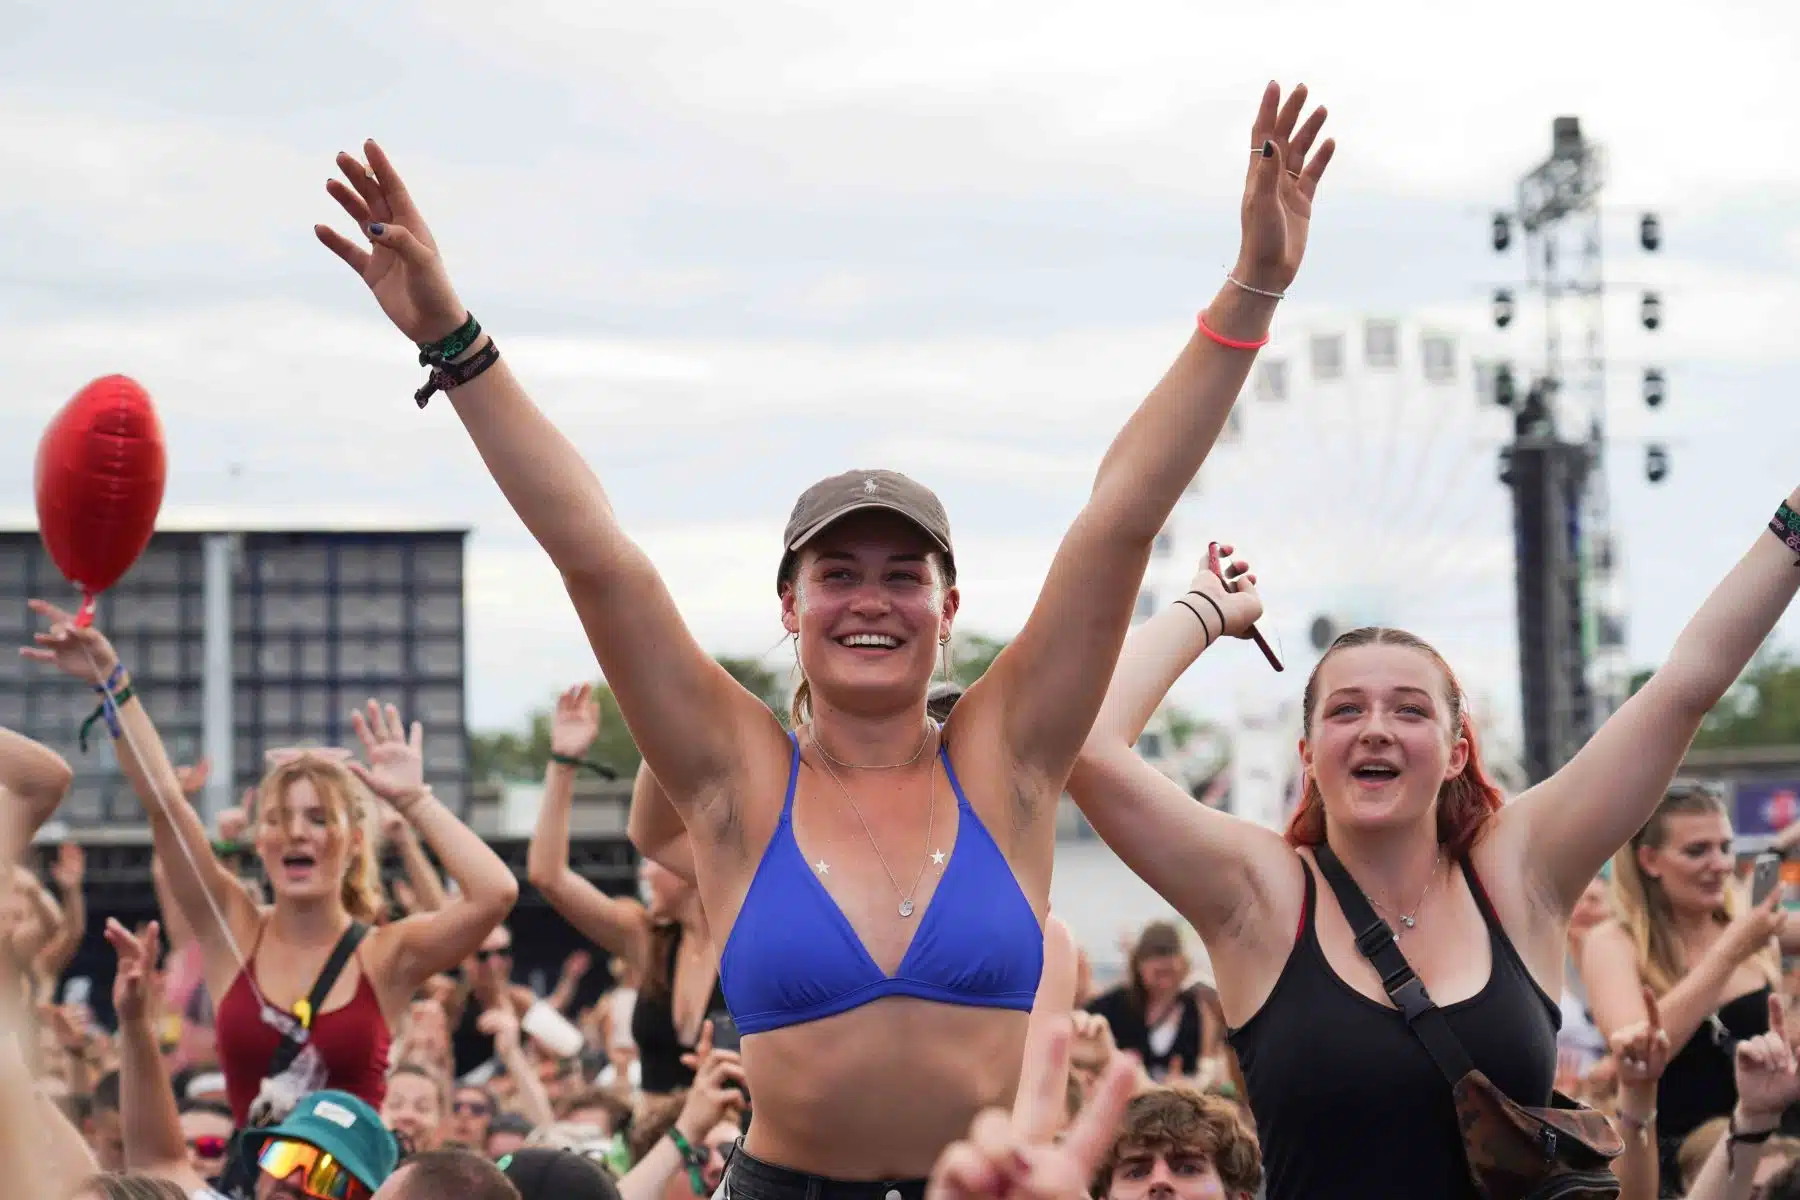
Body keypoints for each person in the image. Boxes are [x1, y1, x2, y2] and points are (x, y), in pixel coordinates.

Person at [313, 78, 1327, 1189]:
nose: (872, 601)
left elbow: (1120, 517)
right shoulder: (733, 777)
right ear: (789, 609)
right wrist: (456, 343)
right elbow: (598, 560)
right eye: (837, 574)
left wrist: (1256, 284)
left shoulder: (1011, 757)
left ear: (950, 610)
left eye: (905, 575)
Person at [1066, 516, 1800, 1199]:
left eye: (1410, 709)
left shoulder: (1518, 874)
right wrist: (1203, 610)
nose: (1376, 729)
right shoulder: (1261, 896)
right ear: (1307, 755)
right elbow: (1086, 747)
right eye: (1346, 710)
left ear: (1455, 753)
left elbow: (1685, 688)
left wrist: (1792, 523)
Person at [21, 606, 520, 1125]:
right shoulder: (231, 928)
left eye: (318, 818)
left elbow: (495, 894)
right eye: (279, 819)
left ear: (353, 843)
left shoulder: (388, 953)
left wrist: (416, 800)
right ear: (261, 843)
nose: (297, 832)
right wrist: (112, 681)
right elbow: (166, 800)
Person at [1581, 785, 1793, 1187]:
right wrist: (1729, 953)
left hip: (1775, 1157)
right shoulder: (1614, 942)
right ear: (1650, 860)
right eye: (1698, 851)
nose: (1720, 865)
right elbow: (1638, 1049)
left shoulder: (1750, 930)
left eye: (1726, 847)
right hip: (1678, 1172)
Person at [527, 685, 725, 1094]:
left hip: (732, 1150)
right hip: (651, 1144)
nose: (645, 876)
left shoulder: (752, 937)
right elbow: (548, 875)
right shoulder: (648, 942)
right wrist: (564, 764)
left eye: (652, 860)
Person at [1082, 921, 1207, 1083]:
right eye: (1158, 973)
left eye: (1168, 972)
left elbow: (1194, 1065)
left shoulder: (1192, 1006)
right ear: (1139, 966)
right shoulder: (1115, 1004)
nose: (1164, 983)